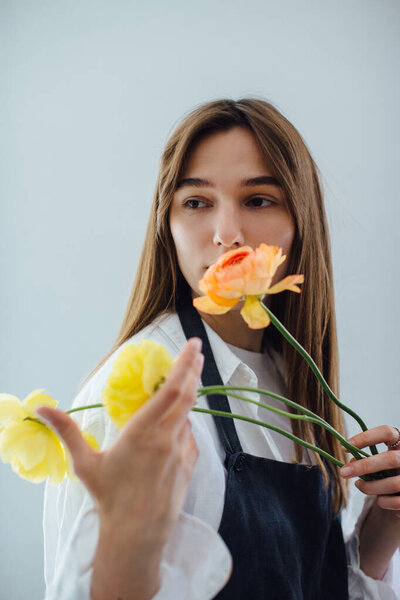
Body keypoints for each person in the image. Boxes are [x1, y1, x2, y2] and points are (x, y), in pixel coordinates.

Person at [39, 98, 400, 600]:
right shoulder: (140, 393)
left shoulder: (288, 376)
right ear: (167, 226)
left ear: (302, 225)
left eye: (258, 201)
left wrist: (382, 530)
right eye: (196, 202)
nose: (227, 234)